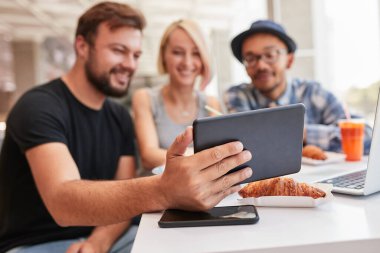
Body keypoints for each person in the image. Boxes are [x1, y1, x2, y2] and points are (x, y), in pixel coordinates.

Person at [0, 2, 252, 253]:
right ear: (82, 46)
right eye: (119, 50)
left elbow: (124, 194)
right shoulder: (38, 106)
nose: (130, 64)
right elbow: (63, 203)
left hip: (109, 236)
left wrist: (98, 243)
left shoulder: (118, 115)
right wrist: (164, 189)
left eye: (135, 55)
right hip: (38, 243)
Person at [224, 19, 372, 154]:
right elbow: (241, 147)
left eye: (270, 55)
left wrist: (299, 131)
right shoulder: (238, 95)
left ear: (289, 60)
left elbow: (366, 136)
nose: (261, 65)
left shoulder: (313, 92)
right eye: (250, 58)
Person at [132, 19, 221, 170]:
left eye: (196, 53)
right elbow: (148, 156)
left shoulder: (211, 103)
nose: (187, 62)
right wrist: (203, 157)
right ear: (164, 55)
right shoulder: (145, 98)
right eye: (177, 52)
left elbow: (221, 156)